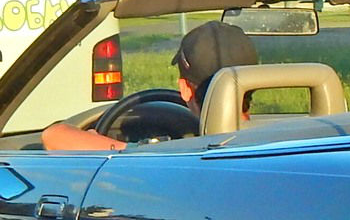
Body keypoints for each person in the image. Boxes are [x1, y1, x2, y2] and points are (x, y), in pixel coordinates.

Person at [42, 20, 258, 150]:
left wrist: (130, 150)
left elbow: (53, 137)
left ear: (183, 88)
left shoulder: (181, 157)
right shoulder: (281, 138)